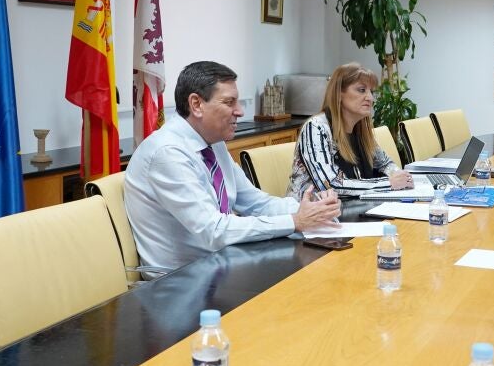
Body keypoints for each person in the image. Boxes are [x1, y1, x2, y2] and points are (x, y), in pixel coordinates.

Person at [125, 61, 340, 273]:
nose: (240, 111)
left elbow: (256, 203)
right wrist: (295, 221)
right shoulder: (167, 153)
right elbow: (214, 230)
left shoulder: (213, 143)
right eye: (229, 102)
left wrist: (313, 210)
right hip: (181, 282)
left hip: (221, 264)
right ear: (196, 104)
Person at [286, 63, 413, 199]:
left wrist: (400, 176)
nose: (370, 98)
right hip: (312, 215)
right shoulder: (316, 128)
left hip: (351, 210)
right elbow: (331, 185)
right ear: (339, 94)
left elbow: (385, 164)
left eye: (372, 92)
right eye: (362, 90)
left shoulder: (361, 131)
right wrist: (388, 183)